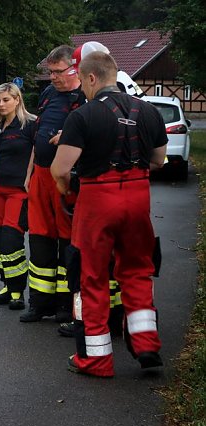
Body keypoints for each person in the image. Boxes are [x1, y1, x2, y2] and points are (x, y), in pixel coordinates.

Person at [50, 50, 167, 377]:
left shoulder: (83, 116)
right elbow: (159, 160)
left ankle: (97, 360)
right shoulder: (149, 111)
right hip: (138, 197)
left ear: (90, 78)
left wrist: (64, 189)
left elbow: (60, 169)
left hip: (97, 199)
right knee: (137, 270)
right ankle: (146, 345)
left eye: (83, 83)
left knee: (92, 279)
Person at [20, 45, 86, 324]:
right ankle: (39, 302)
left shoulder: (84, 97)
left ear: (75, 69)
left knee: (66, 240)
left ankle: (64, 303)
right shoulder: (48, 94)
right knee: (39, 237)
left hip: (65, 177)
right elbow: (38, 136)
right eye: (50, 72)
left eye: (58, 72)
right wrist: (30, 171)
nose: (53, 77)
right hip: (40, 176)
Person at [0, 83, 35, 310]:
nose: (1, 104)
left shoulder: (30, 125)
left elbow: (36, 152)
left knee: (12, 239)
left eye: (6, 100)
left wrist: (29, 179)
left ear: (17, 100)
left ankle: (17, 291)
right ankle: (6, 284)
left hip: (17, 190)